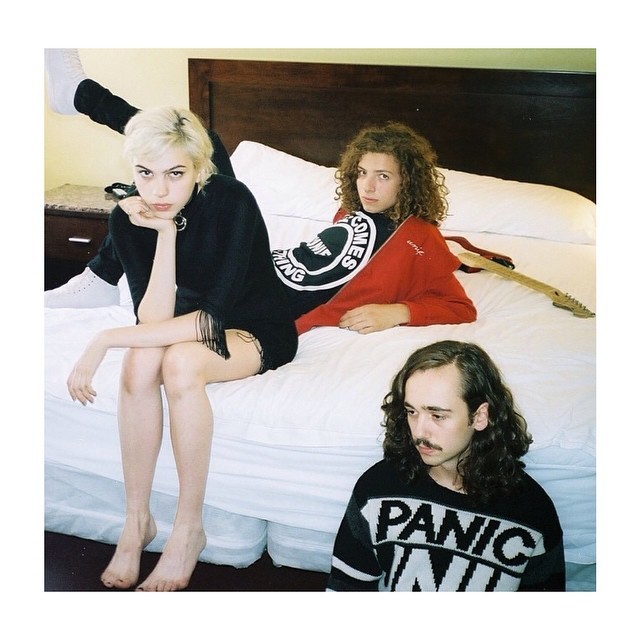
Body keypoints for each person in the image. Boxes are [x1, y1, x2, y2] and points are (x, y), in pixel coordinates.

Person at [45, 49, 476, 334]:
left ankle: (81, 95)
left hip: (256, 297)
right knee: (204, 144)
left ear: (408, 181)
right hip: (257, 264)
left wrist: (398, 312)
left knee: (203, 146)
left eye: (383, 176)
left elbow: (458, 305)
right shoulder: (351, 214)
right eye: (362, 173)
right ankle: (80, 95)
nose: (367, 185)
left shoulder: (422, 238)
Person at [65, 103, 298, 591]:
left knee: (181, 364)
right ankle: (137, 521)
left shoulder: (231, 201)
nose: (159, 191)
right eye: (145, 174)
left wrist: (105, 338)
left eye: (175, 174)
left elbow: (211, 320)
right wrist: (165, 234)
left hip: (253, 325)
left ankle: (189, 529)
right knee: (138, 365)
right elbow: (152, 319)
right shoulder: (130, 217)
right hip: (181, 319)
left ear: (199, 168)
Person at [326, 340, 565, 592]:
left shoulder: (533, 511)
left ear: (480, 416)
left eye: (437, 415)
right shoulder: (377, 488)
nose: (420, 431)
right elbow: (344, 589)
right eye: (411, 412)